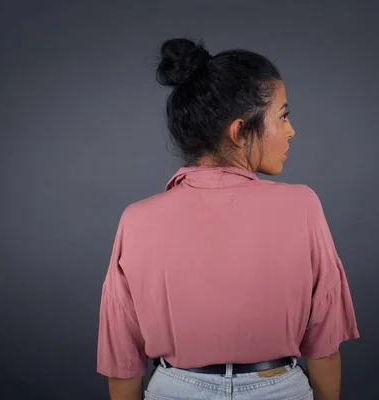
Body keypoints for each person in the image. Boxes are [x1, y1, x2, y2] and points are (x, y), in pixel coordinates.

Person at [97, 37, 360, 400]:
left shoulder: (136, 220)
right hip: (278, 389)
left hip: (175, 390)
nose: (291, 129)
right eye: (282, 116)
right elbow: (323, 345)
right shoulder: (303, 206)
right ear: (238, 132)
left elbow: (122, 361)